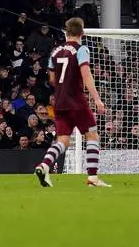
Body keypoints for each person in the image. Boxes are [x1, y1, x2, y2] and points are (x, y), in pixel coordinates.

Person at [34, 17, 109, 188]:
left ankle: (44, 165)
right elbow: (86, 74)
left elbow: (52, 78)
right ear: (82, 33)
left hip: (60, 102)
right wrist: (96, 98)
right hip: (76, 101)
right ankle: (92, 178)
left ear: (66, 32)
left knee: (63, 141)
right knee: (92, 135)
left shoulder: (55, 52)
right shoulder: (81, 49)